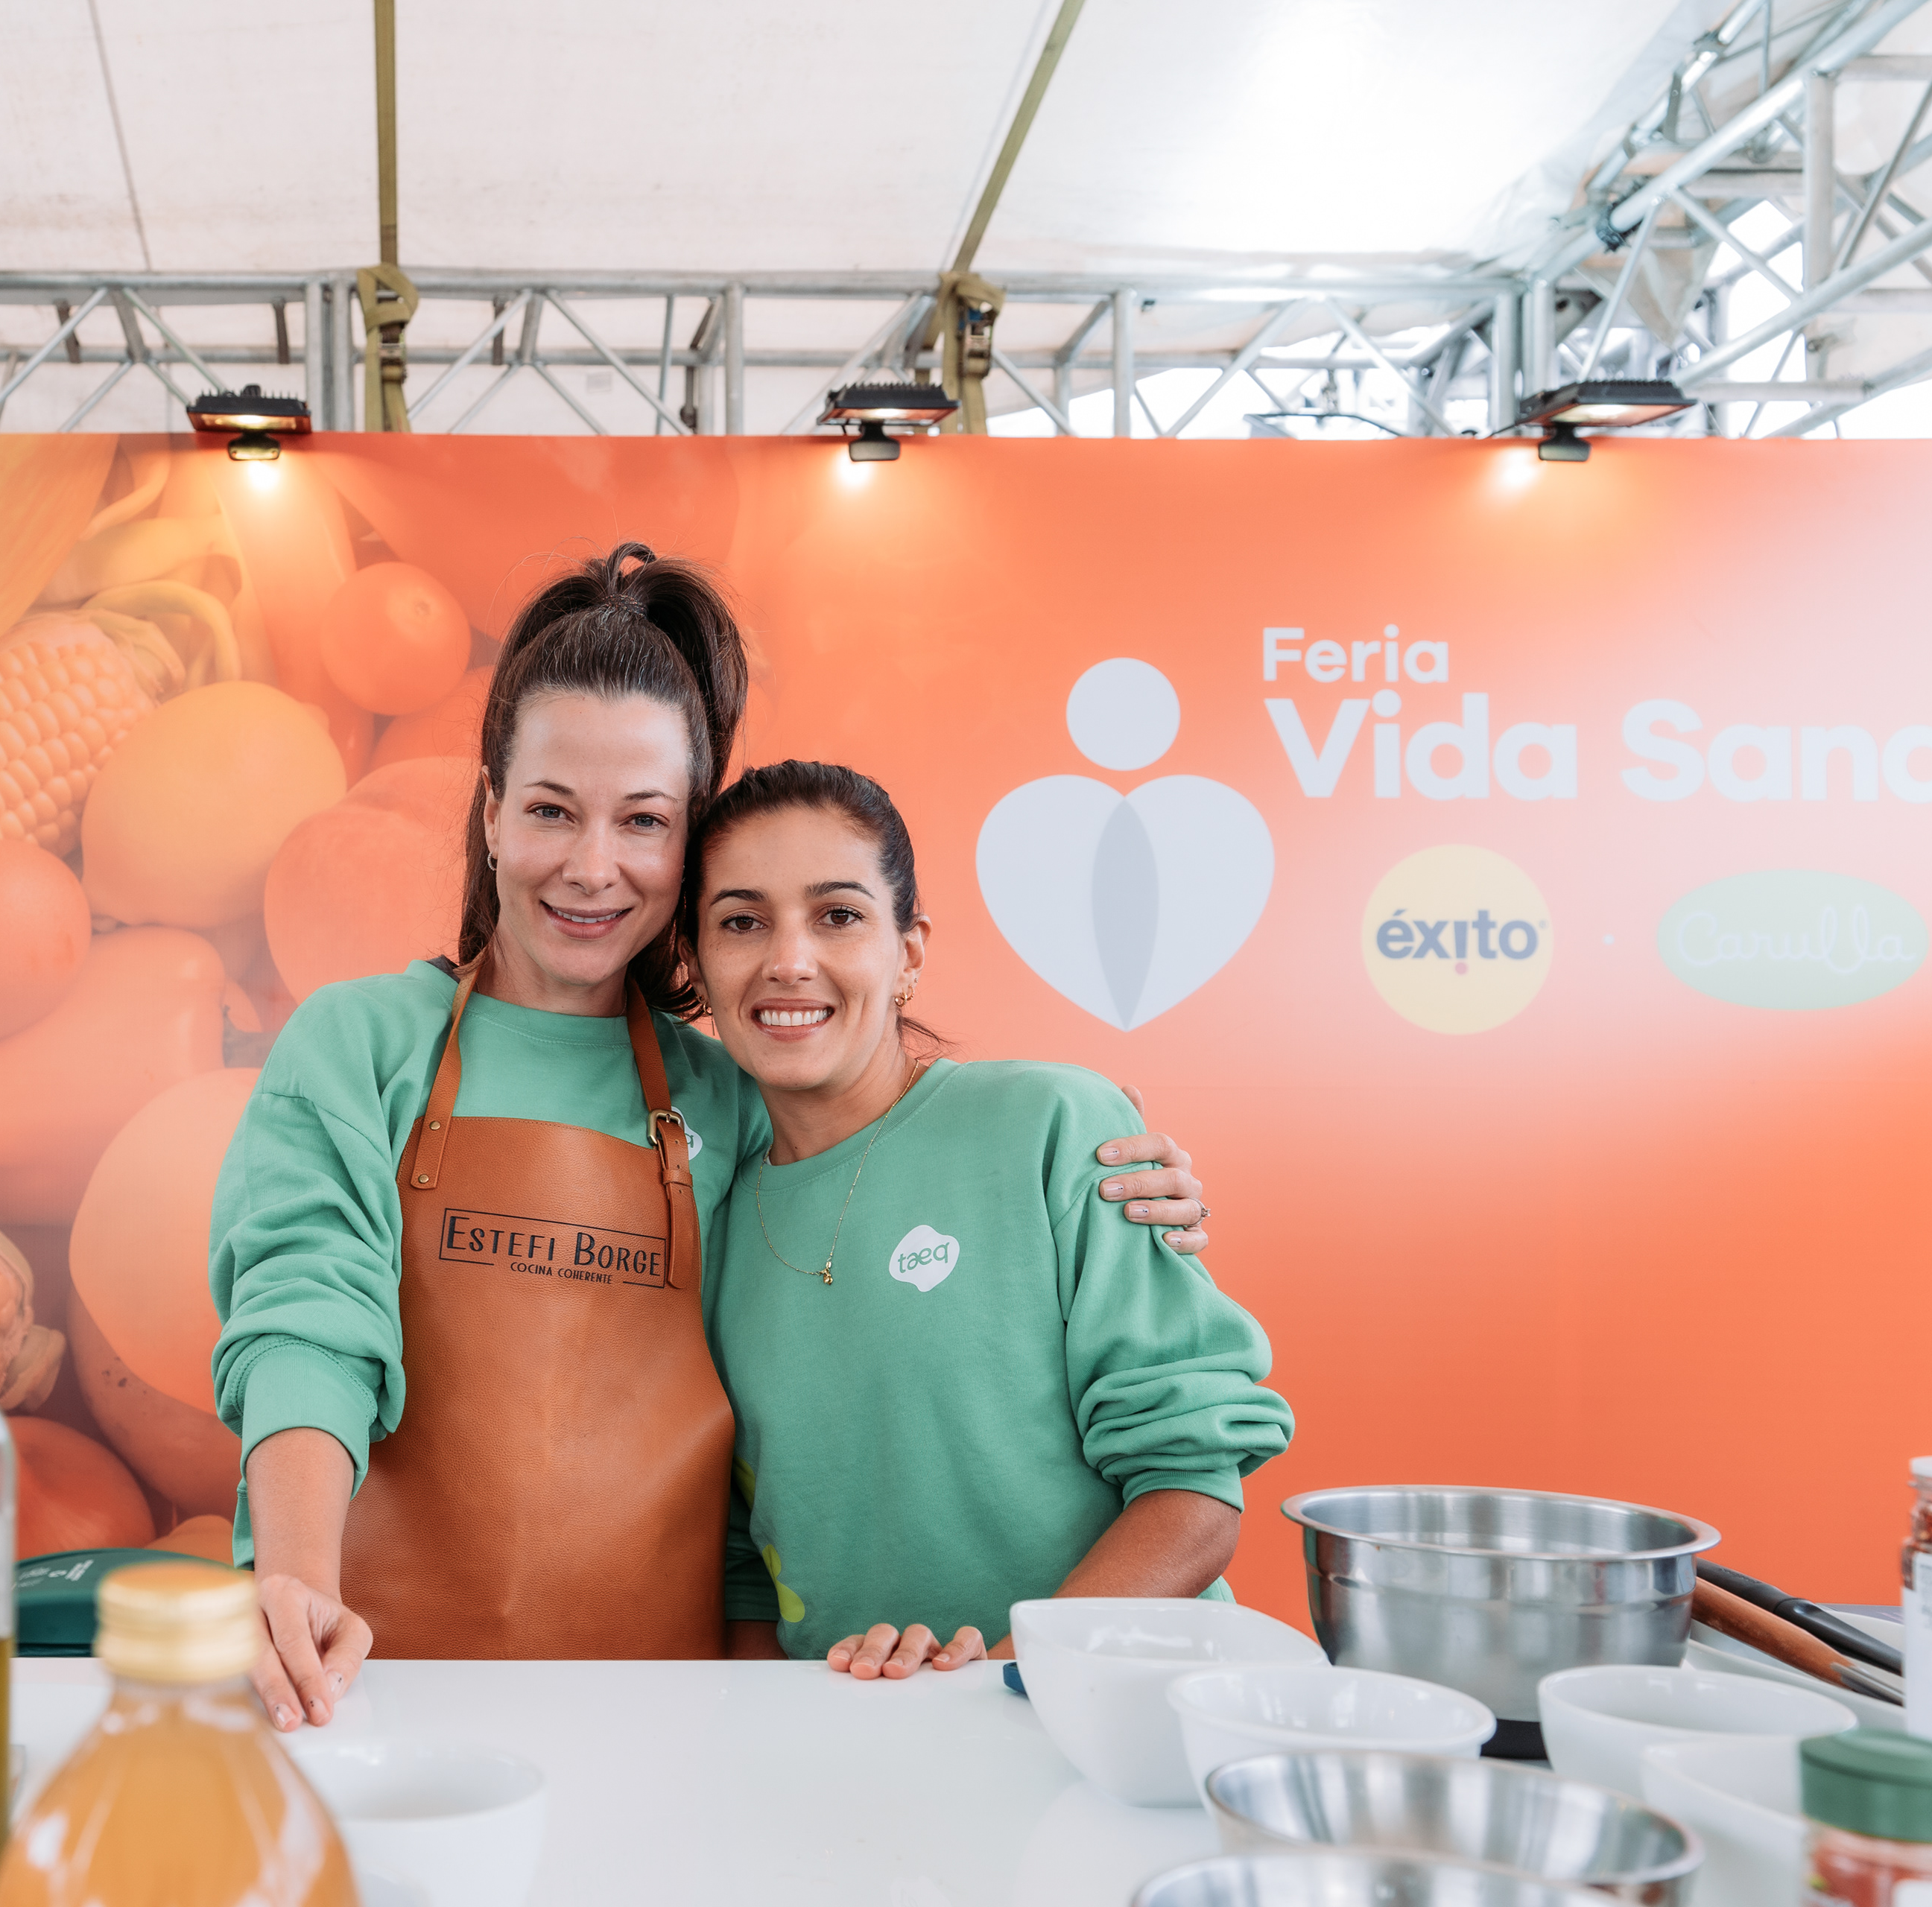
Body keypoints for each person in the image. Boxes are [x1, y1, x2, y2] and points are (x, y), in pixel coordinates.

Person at [210, 545, 1219, 1730]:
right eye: (550, 810)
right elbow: (307, 1317)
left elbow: (862, 1243)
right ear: (490, 814)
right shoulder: (360, 1043)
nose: (592, 867)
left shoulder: (733, 1095)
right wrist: (297, 1580)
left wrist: (1111, 1170)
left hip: (668, 1707)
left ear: (687, 849)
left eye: (643, 821)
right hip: (376, 1687)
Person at [692, 761, 1292, 1678]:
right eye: (742, 921)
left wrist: (997, 1686)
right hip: (862, 1737)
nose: (789, 960)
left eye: (838, 915)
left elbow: (1191, 1496)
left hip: (1117, 1713)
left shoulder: (1056, 1126)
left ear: (910, 952)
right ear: (696, 961)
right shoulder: (710, 1224)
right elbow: (747, 1571)